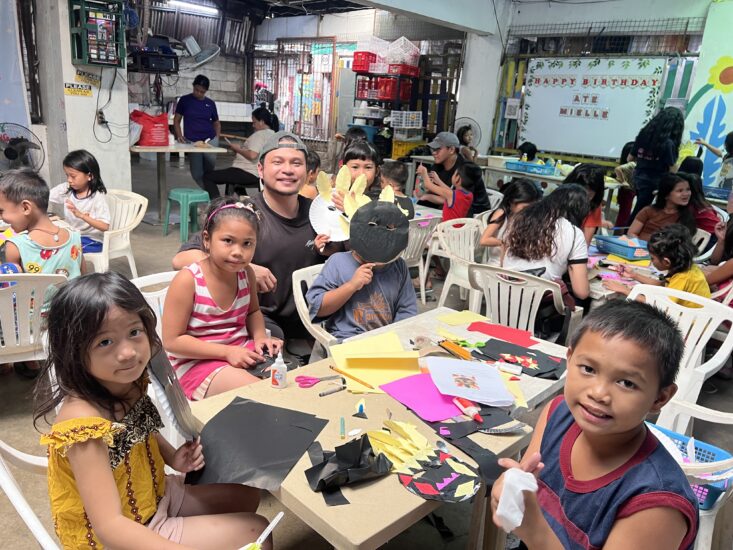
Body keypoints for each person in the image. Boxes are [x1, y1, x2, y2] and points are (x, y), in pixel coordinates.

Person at [34, 272, 270, 549]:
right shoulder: (83, 426)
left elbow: (140, 429)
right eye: (105, 342)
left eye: (134, 332)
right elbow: (110, 527)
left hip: (155, 495)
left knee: (246, 494)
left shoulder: (124, 381)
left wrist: (173, 458)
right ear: (73, 352)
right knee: (257, 532)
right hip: (126, 534)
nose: (128, 352)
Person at [490, 299, 698, 549]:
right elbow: (527, 487)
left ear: (660, 397)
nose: (599, 393)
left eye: (627, 383)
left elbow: (533, 529)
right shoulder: (557, 414)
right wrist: (513, 489)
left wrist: (534, 530)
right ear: (569, 359)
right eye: (588, 369)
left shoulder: (655, 504)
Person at [171, 132, 335, 341]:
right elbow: (181, 258)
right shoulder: (243, 214)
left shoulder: (320, 212)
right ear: (260, 169)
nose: (287, 170)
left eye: (296, 163)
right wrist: (245, 268)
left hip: (311, 316)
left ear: (307, 172)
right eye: (278, 162)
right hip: (259, 319)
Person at [163, 198, 282, 400]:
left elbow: (253, 312)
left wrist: (260, 337)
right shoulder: (188, 281)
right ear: (207, 239)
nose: (237, 252)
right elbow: (172, 341)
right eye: (228, 241)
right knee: (263, 394)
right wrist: (226, 352)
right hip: (196, 362)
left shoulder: (246, 274)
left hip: (240, 351)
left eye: (247, 244)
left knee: (284, 381)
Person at [305, 201, 416, 340]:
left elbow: (407, 309)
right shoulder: (338, 262)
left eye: (390, 229)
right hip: (347, 338)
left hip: (386, 338)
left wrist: (395, 336)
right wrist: (351, 286)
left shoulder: (398, 266)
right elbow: (318, 309)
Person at [502, 184, 591, 301]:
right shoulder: (574, 233)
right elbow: (581, 292)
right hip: (538, 302)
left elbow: (503, 261)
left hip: (502, 294)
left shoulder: (519, 219)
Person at [0, 169, 85, 287]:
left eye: (1, 211)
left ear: (25, 208)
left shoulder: (15, 246)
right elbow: (84, 281)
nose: (1, 218)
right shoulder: (75, 237)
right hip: (74, 299)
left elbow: (13, 290)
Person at [603, 224, 711, 308]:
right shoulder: (686, 267)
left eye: (652, 258)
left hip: (689, 323)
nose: (651, 262)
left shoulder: (683, 277)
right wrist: (634, 275)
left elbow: (660, 305)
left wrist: (625, 290)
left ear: (666, 262)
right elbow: (662, 286)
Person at [201, 107, 278, 199]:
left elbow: (252, 155)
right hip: (258, 172)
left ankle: (217, 203)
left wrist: (237, 149)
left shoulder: (260, 135)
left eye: (254, 122)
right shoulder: (273, 135)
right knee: (232, 178)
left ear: (261, 121)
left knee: (208, 176)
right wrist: (240, 150)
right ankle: (244, 201)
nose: (253, 125)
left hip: (248, 172)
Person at [49, 149, 110, 252]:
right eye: (67, 175)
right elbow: (43, 196)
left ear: (90, 176)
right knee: (46, 241)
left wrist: (81, 215)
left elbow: (104, 226)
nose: (69, 180)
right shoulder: (66, 189)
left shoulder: (97, 197)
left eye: (73, 176)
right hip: (73, 236)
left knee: (63, 250)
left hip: (93, 241)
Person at [628, 106, 684, 220]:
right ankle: (628, 229)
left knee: (641, 210)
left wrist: (645, 161)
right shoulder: (668, 144)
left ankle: (630, 229)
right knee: (641, 214)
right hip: (654, 183)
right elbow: (672, 169)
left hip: (638, 179)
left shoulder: (643, 135)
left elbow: (630, 158)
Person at [418, 132, 490, 216]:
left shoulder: (465, 169)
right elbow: (428, 191)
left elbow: (455, 198)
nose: (434, 153)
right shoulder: (438, 165)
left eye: (438, 149)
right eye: (433, 149)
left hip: (474, 214)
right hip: (450, 206)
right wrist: (424, 188)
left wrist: (426, 179)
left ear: (451, 149)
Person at [174, 74, 221, 190]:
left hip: (210, 141)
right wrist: (179, 135)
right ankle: (211, 193)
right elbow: (176, 120)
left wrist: (217, 138)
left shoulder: (210, 103)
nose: (199, 93)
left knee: (209, 172)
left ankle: (210, 195)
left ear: (206, 91)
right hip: (193, 142)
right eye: (196, 90)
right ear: (193, 86)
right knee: (196, 173)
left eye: (202, 92)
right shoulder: (185, 101)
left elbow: (216, 123)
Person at [479, 178, 541, 260]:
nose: (528, 211)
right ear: (512, 201)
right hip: (498, 262)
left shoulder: (522, 216)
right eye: (524, 207)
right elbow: (484, 240)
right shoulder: (501, 214)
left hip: (514, 260)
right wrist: (503, 243)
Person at [628, 174, 695, 242]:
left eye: (688, 189)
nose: (686, 194)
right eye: (680, 191)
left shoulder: (686, 217)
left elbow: (681, 242)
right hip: (639, 246)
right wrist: (639, 245)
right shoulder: (648, 211)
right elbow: (632, 233)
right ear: (666, 195)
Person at [563, 163, 609, 245]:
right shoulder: (559, 199)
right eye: (581, 189)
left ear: (598, 191)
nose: (584, 194)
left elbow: (585, 242)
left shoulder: (594, 205)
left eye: (590, 190)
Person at [614, 141, 637, 227]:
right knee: (624, 215)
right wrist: (623, 181)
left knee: (624, 214)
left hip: (627, 191)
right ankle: (619, 232)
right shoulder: (632, 164)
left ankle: (619, 231)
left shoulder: (628, 164)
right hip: (628, 191)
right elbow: (618, 169)